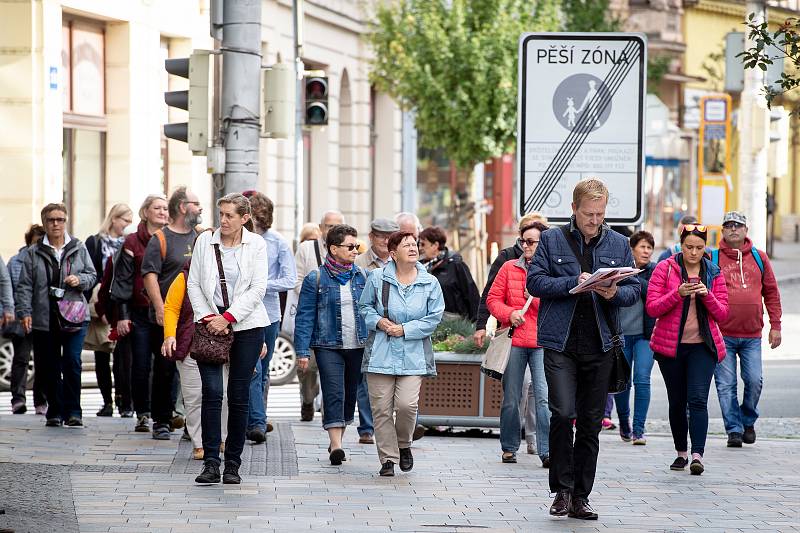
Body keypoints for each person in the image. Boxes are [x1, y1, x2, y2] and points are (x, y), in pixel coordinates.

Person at [527, 178, 639, 520]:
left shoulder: (619, 242)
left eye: (601, 214)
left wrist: (612, 293)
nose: (595, 220)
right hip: (560, 342)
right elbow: (535, 282)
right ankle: (560, 489)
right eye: (589, 214)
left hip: (601, 344)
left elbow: (634, 289)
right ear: (574, 209)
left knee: (590, 424)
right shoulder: (550, 239)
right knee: (561, 413)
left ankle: (580, 496)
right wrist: (570, 285)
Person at [188, 193, 269, 485]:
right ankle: (211, 462)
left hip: (247, 326)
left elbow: (258, 288)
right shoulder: (204, 242)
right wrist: (209, 317)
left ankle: (232, 464)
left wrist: (230, 317)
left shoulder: (257, 244)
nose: (223, 220)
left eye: (229, 215)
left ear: (244, 218)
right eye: (220, 214)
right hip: (210, 324)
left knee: (238, 396)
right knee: (211, 393)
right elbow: (194, 283)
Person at [359, 231, 445, 476]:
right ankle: (388, 458)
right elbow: (364, 307)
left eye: (414, 244)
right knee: (381, 409)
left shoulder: (429, 282)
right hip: (380, 354)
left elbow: (434, 317)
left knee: (407, 405)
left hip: (414, 354)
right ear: (393, 253)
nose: (413, 248)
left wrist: (405, 329)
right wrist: (380, 323)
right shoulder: (377, 278)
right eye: (406, 245)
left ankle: (404, 444)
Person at [647, 224, 728, 476]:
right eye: (689, 247)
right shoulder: (665, 267)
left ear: (706, 248)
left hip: (703, 346)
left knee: (698, 399)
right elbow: (652, 308)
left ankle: (697, 455)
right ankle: (681, 452)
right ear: (680, 245)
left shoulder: (713, 271)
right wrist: (677, 293)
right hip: (671, 347)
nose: (694, 252)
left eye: (699, 248)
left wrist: (707, 295)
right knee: (677, 401)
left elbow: (723, 313)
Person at [15, 203, 97, 427]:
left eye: (60, 219)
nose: (56, 224)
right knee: (49, 365)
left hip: (74, 315)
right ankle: (55, 410)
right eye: (51, 220)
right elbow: (24, 286)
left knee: (72, 361)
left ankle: (74, 411)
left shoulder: (78, 247)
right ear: (44, 223)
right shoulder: (33, 253)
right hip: (45, 317)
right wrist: (24, 312)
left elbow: (92, 275)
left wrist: (79, 280)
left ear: (66, 221)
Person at [294, 224, 369, 465]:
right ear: (334, 249)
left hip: (357, 345)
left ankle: (337, 437)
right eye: (350, 246)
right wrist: (302, 351)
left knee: (349, 396)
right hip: (328, 345)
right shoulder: (315, 278)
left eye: (357, 246)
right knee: (333, 391)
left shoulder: (362, 276)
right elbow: (304, 316)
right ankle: (336, 445)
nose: (356, 250)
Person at [711, 211, 782, 448]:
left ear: (745, 230)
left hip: (752, 335)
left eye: (738, 225)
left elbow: (771, 292)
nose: (733, 229)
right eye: (728, 225)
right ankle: (734, 430)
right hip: (722, 334)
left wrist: (776, 326)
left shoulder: (760, 258)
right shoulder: (712, 258)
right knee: (725, 385)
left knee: (754, 380)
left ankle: (747, 420)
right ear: (722, 231)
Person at [486, 220, 550, 467]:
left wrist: (532, 301)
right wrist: (509, 313)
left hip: (542, 341)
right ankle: (509, 447)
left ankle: (547, 451)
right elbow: (493, 299)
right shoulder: (509, 267)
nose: (526, 246)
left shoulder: (552, 271)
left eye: (532, 241)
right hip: (513, 339)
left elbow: (559, 305)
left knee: (544, 398)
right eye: (523, 241)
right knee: (512, 396)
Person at [141, 187, 201, 440]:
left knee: (195, 373)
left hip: (195, 319)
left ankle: (192, 425)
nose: (200, 209)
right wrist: (159, 307)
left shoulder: (201, 236)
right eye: (195, 204)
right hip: (170, 315)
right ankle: (162, 420)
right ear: (182, 207)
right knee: (165, 369)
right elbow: (150, 275)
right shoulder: (161, 239)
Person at [162, 253, 229, 461]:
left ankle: (222, 438)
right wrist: (169, 336)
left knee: (224, 394)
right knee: (194, 397)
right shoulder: (184, 277)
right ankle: (199, 443)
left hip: (222, 344)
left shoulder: (228, 275)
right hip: (190, 344)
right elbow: (171, 308)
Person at [111, 194, 169, 432]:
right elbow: (122, 280)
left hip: (167, 312)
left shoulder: (171, 239)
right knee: (141, 364)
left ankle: (163, 417)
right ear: (145, 212)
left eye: (166, 208)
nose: (163, 212)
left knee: (166, 366)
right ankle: (143, 413)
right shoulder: (132, 242)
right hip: (139, 312)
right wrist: (123, 314)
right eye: (157, 208)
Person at [243, 191, 297, 444]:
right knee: (251, 368)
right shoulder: (238, 240)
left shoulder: (277, 242)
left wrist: (260, 285)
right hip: (242, 311)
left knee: (262, 371)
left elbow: (289, 279)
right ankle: (255, 421)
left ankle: (257, 419)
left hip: (268, 312)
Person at [293, 210, 345, 422]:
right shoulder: (307, 249)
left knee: (331, 368)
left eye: (336, 226)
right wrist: (315, 295)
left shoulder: (347, 250)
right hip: (312, 318)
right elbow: (295, 280)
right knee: (307, 368)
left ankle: (328, 410)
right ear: (321, 228)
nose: (332, 230)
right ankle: (307, 399)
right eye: (329, 226)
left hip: (336, 320)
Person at [83, 203, 133, 417]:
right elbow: (91, 273)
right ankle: (107, 402)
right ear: (114, 219)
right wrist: (97, 306)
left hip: (122, 305)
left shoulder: (129, 243)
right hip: (101, 302)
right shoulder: (95, 242)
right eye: (125, 221)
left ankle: (124, 401)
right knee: (101, 354)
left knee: (124, 357)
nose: (127, 225)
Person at [353, 218, 399, 445]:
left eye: (390, 237)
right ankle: (367, 428)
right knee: (367, 379)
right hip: (368, 329)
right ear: (371, 237)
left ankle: (398, 425)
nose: (386, 241)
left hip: (398, 331)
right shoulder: (360, 262)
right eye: (381, 236)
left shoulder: (403, 263)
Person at [613, 230, 657, 444]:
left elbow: (654, 294)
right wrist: (628, 274)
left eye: (650, 248)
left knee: (642, 379)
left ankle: (639, 429)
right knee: (622, 383)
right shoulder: (620, 269)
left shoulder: (655, 271)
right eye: (643, 247)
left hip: (644, 336)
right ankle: (624, 422)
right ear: (632, 249)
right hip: (621, 335)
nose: (647, 251)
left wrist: (635, 278)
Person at [7, 224, 47, 414]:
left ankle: (41, 401)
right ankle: (18, 399)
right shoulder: (15, 262)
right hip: (21, 316)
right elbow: (8, 288)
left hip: (42, 318)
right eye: (35, 241)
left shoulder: (47, 260)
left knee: (42, 360)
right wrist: (9, 311)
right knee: (21, 359)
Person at [418, 226, 480, 322]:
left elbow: (472, 295)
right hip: (427, 322)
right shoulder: (418, 268)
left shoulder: (456, 265)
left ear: (435, 245)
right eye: (419, 244)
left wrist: (477, 325)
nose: (419, 248)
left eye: (423, 244)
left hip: (455, 324)